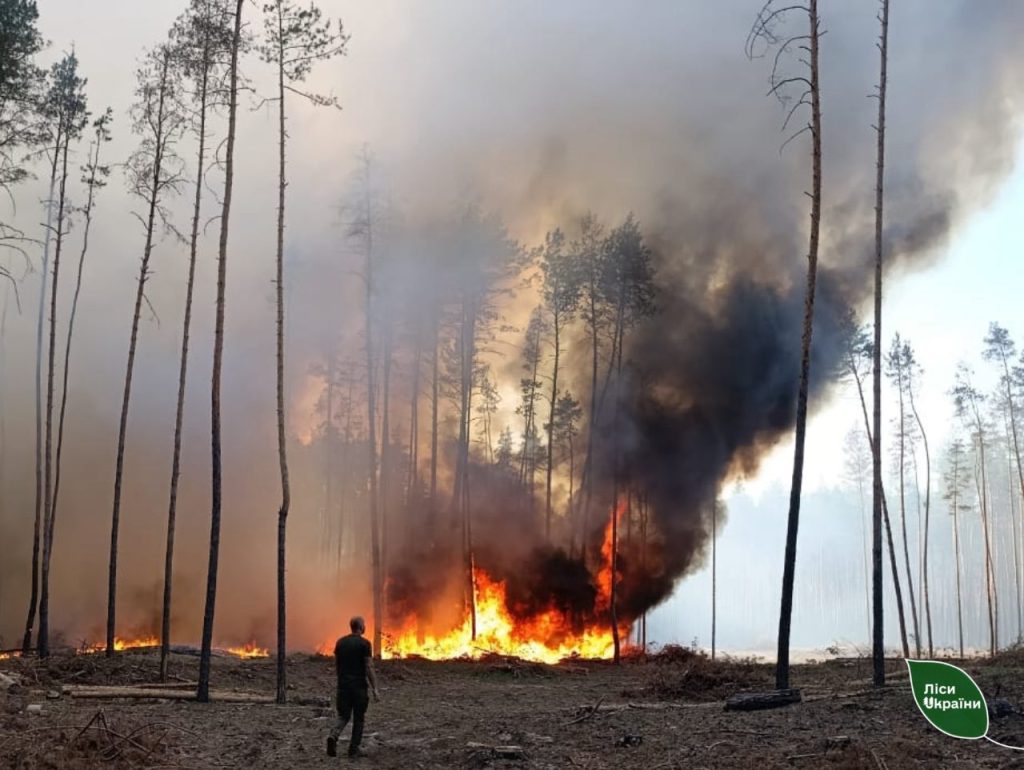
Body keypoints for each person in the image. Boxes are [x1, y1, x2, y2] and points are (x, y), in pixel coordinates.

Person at [327, 615, 380, 759]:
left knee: (343, 715)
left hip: (343, 687)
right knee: (359, 719)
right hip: (359, 688)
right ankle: (353, 749)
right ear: (361, 627)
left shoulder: (340, 643)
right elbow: (368, 666)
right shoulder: (365, 644)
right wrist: (374, 688)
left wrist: (340, 681)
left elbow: (337, 665)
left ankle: (333, 735)